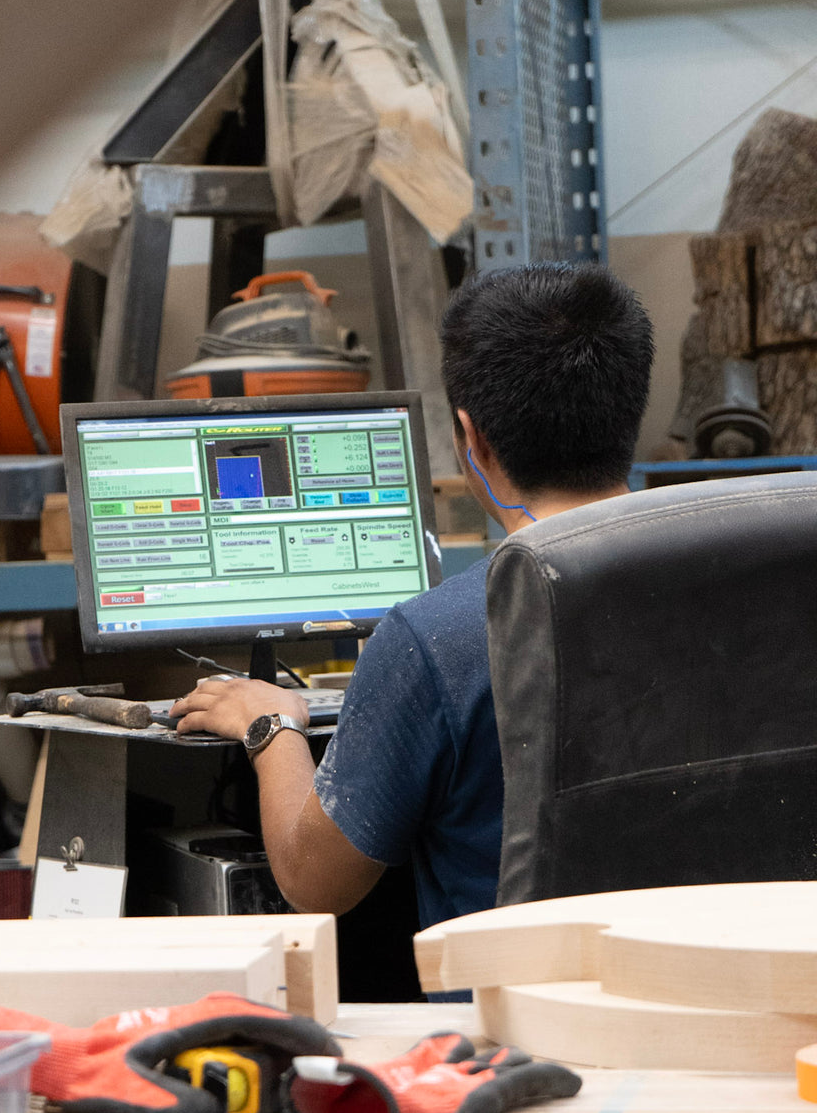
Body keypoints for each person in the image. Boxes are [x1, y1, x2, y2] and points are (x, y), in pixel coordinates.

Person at [170, 262, 655, 926]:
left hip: (516, 1019)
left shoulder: (439, 638)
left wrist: (272, 728)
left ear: (472, 438)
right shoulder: (741, 590)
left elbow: (315, 883)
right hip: (727, 1008)